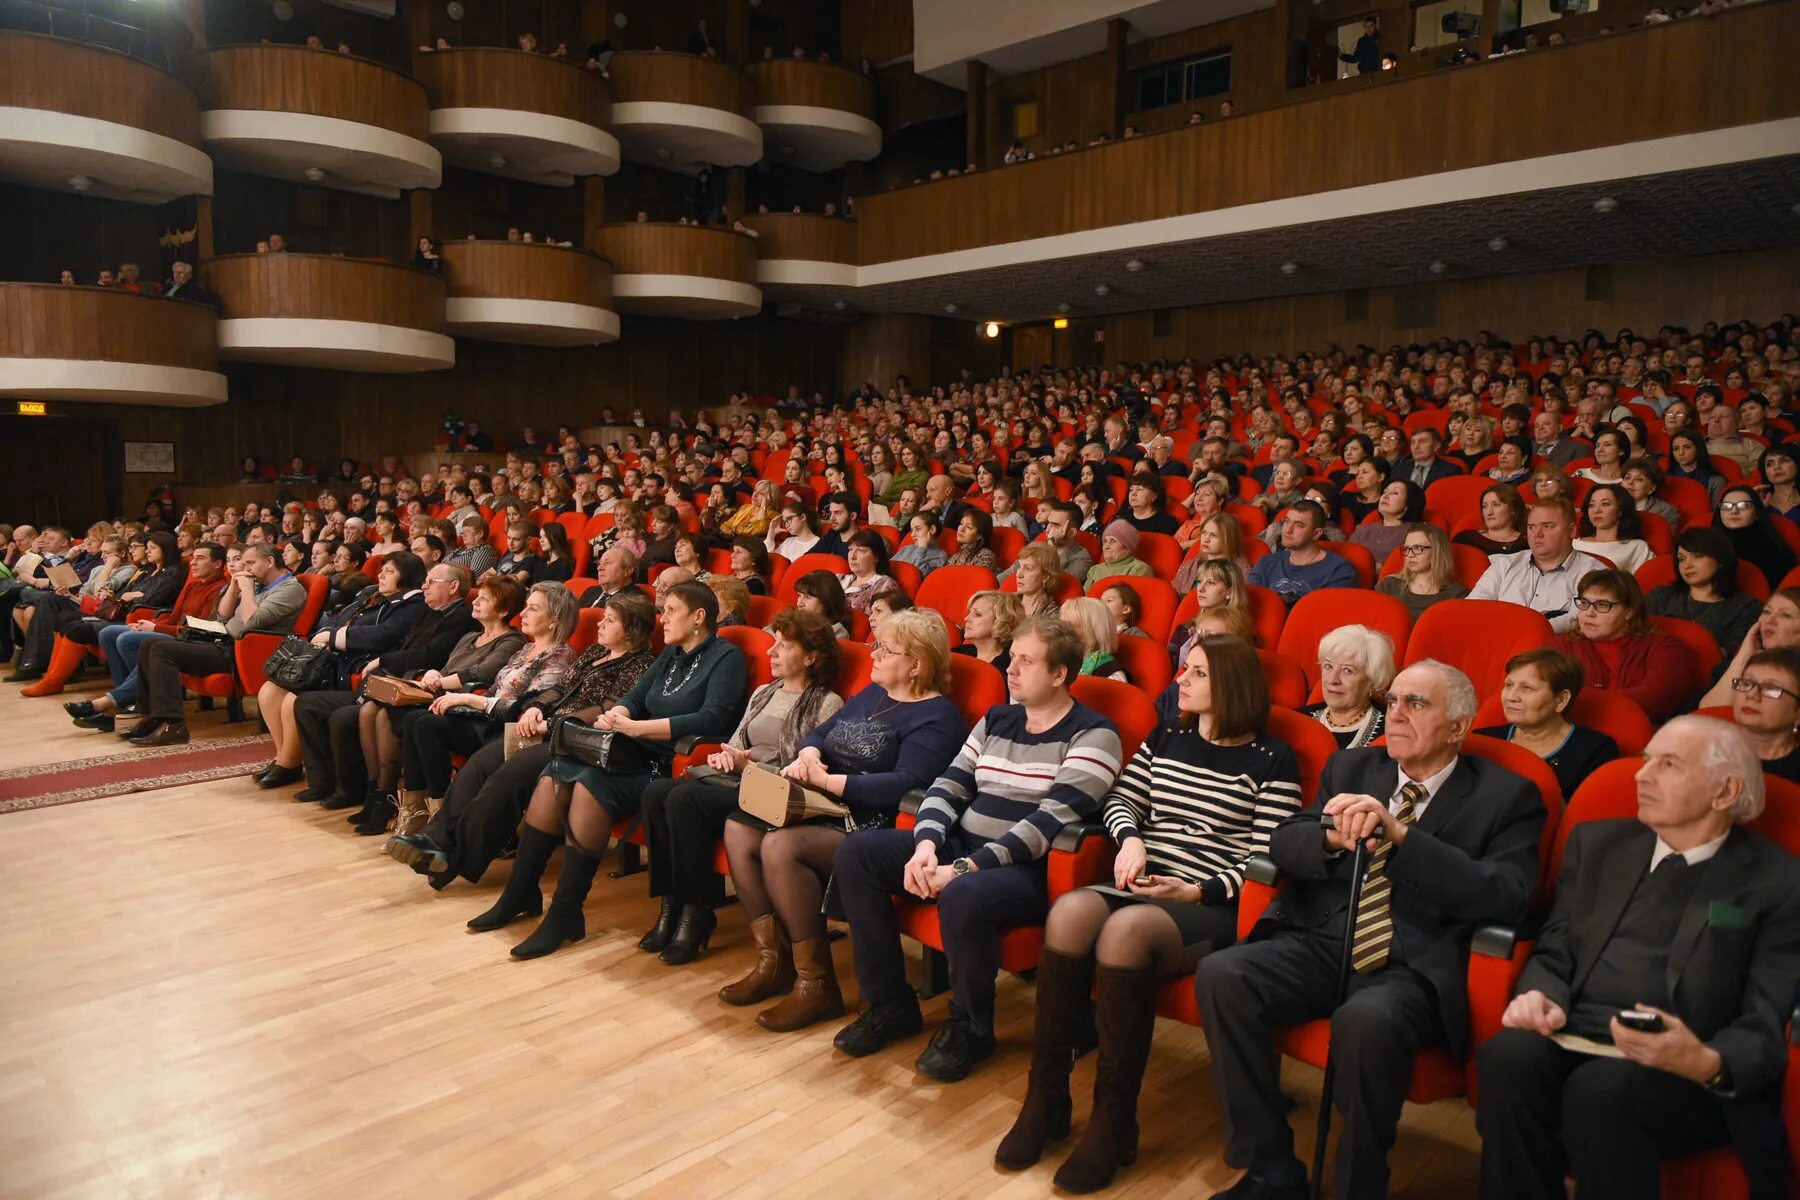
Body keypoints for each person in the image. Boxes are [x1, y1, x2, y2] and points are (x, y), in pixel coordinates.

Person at [1198, 660, 1546, 1200]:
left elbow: (1507, 895)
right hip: (1320, 938)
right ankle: (1270, 1167)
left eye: (1417, 704)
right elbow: (1284, 841)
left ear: (1458, 727)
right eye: (1393, 702)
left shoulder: (1508, 796)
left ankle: (1360, 1185)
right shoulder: (1354, 768)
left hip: (1410, 961)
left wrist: (1402, 836)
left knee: (1367, 1021)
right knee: (1223, 973)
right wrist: (1332, 839)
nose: (1397, 715)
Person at [996, 633, 1303, 1189]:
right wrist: (1130, 839)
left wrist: (1198, 891)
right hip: (1145, 878)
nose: (1180, 679)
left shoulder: (1272, 758)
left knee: (1126, 932)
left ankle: (1115, 1122)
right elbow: (1121, 799)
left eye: (1197, 673)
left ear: (1230, 684)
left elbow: (1268, 859)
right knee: (1068, 914)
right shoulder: (1169, 734)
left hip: (1212, 902)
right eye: (1185, 669)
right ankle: (1046, 1099)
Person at [1475, 717, 1800, 1200]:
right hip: (1577, 1030)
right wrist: (1539, 993)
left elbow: (1767, 1013)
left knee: (1602, 1093)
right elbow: (1557, 944)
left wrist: (1708, 1061)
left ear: (1725, 791)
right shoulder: (1600, 844)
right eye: (1646, 759)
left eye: (1667, 765)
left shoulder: (1778, 881)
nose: (1640, 776)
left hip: (1685, 1063)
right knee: (1508, 1058)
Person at [831, 615, 1125, 1081]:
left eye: (1027, 661)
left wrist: (963, 869)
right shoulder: (997, 719)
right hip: (964, 847)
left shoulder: (1094, 734)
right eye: (1013, 658)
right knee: (858, 853)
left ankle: (972, 1026)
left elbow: (1045, 827)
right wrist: (926, 845)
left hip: (1031, 869)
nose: (1011, 668)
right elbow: (947, 786)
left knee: (965, 893)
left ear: (1060, 674)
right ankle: (890, 1003)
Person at [719, 609, 967, 1029]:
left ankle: (815, 984)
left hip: (872, 822)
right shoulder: (874, 693)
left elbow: (908, 784)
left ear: (917, 664)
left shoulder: (938, 716)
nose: (873, 653)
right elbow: (821, 734)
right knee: (739, 826)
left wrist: (831, 781)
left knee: (779, 846)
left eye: (885, 649)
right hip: (822, 800)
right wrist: (811, 754)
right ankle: (773, 959)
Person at [500, 581, 748, 959]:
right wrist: (620, 713)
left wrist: (638, 727)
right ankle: (519, 891)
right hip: (631, 748)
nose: (661, 619)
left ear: (699, 617)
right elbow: (635, 696)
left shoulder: (725, 657)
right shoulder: (672, 653)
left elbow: (713, 718)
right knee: (555, 772)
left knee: (586, 786)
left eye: (671, 611)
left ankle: (565, 914)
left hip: (668, 761)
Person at [388, 590, 654, 884]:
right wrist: (538, 708)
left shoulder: (640, 665)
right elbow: (560, 689)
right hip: (542, 727)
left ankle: (454, 860)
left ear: (631, 629)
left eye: (611, 619)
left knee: (505, 778)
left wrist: (550, 723)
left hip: (573, 739)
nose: (600, 623)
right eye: (603, 617)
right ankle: (433, 838)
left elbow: (606, 709)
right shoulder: (595, 653)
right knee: (480, 763)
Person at [635, 610, 846, 964]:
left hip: (775, 792)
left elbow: (801, 768)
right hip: (740, 778)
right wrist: (727, 757)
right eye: (773, 644)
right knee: (656, 793)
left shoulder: (827, 703)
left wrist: (749, 764)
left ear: (811, 656)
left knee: (685, 799)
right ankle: (670, 904)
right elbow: (736, 740)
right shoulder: (764, 691)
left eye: (784, 646)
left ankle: (696, 911)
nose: (771, 653)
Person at [374, 581, 570, 835]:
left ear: (554, 620)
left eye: (532, 609)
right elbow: (494, 688)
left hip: (507, 731)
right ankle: (416, 811)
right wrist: (466, 700)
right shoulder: (526, 649)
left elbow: (521, 707)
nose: (522, 614)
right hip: (486, 718)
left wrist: (467, 699)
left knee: (425, 724)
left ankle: (439, 815)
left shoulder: (559, 656)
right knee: (417, 720)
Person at [288, 563, 478, 812]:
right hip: (387, 681)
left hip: (411, 687)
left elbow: (429, 655)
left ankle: (362, 792)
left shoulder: (462, 619)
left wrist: (383, 661)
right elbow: (402, 644)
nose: (424, 587)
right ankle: (323, 782)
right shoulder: (427, 611)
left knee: (344, 716)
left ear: (453, 587)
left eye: (432, 582)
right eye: (425, 581)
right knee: (307, 703)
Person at [251, 552, 428, 790]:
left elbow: (384, 635)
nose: (381, 573)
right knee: (270, 690)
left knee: (292, 699)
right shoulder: (370, 593)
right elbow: (337, 618)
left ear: (406, 577)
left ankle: (288, 763)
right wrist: (328, 635)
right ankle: (282, 756)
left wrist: (334, 638)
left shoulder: (412, 603)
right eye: (382, 569)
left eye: (390, 571)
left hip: (355, 666)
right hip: (332, 661)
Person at [119, 543, 307, 746]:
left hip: (245, 653)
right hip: (223, 642)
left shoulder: (289, 588)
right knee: (150, 644)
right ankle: (153, 717)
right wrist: (235, 588)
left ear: (270, 561)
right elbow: (223, 615)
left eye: (251, 563)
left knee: (161, 649)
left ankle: (173, 725)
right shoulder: (258, 584)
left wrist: (247, 590)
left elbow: (252, 621)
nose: (247, 568)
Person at [63, 543, 228, 724]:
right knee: (109, 633)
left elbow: (200, 629)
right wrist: (151, 624)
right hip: (174, 629)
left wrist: (156, 628)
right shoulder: (192, 586)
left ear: (217, 564)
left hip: (188, 637)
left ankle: (129, 701)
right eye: (193, 558)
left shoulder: (219, 589)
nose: (193, 563)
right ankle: (127, 698)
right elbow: (172, 617)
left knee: (127, 639)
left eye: (200, 558)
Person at [1552, 569, 1698, 724]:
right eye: (1584, 603)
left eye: (1602, 605)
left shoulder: (1665, 648)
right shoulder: (1560, 645)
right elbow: (1545, 695)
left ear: (1629, 612)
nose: (1589, 613)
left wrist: (1583, 699)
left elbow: (1657, 698)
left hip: (1640, 735)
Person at [1475, 648, 1619, 801]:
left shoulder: (1596, 750)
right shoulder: (1482, 741)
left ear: (1561, 700)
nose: (1511, 697)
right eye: (1509, 685)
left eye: (1527, 688)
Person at [1467, 498, 1606, 633]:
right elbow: (1472, 608)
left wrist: (1525, 632)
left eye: (1547, 526)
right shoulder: (1504, 565)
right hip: (1498, 642)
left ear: (1572, 531)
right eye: (1531, 527)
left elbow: (1576, 619)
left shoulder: (1594, 573)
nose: (1537, 534)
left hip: (1551, 650)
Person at [1646, 527, 1762, 656]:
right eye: (1681, 559)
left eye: (1697, 556)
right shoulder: (1661, 596)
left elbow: (1733, 655)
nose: (1687, 565)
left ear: (1720, 561)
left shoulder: (1746, 607)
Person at [1701, 587, 1800, 709]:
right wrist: (1744, 655)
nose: (1770, 620)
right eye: (1767, 612)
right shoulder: (1733, 666)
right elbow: (1707, 712)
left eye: (1786, 615)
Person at [1300, 624, 1396, 749]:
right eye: (1328, 666)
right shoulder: (1298, 720)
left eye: (1347, 670)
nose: (1333, 679)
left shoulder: (1392, 730)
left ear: (1372, 681)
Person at [1248, 500, 1356, 607]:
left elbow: (1325, 616)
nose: (1288, 530)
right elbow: (1252, 609)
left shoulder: (1339, 570)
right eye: (1286, 521)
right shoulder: (1265, 563)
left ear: (1316, 533)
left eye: (1298, 525)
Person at [1376, 523, 1467, 618]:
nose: (1410, 555)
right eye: (1407, 549)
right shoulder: (1388, 586)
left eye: (1418, 548)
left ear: (1437, 551)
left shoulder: (1456, 595)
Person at [1716, 486, 1797, 592]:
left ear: (1757, 512)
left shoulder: (1776, 551)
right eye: (1726, 506)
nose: (1734, 511)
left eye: (1744, 505)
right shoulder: (1706, 545)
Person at [1573, 483, 1655, 574]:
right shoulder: (1573, 544)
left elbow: (1646, 582)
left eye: (1605, 504)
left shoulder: (1637, 547)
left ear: (1620, 510)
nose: (1596, 510)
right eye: (1592, 505)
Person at [1350, 480, 1425, 566]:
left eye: (1395, 493)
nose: (1385, 496)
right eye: (1385, 492)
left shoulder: (1415, 533)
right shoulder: (1362, 529)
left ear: (1408, 505)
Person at [1061, 596, 1129, 682]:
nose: (1061, 631)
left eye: (1069, 625)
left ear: (1094, 629)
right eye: (1061, 625)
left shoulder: (1110, 673)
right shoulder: (1062, 660)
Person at [954, 590, 1020, 674]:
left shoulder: (1010, 666)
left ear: (1000, 621)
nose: (966, 619)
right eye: (969, 613)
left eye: (977, 614)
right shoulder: (961, 653)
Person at [839, 530, 896, 614]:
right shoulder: (840, 579)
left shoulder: (885, 585)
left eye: (860, 550)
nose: (852, 556)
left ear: (876, 557)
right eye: (850, 549)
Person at [1084, 521, 1152, 589]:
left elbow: (1130, 598)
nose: (1106, 546)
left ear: (1127, 547)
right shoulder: (1094, 570)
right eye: (1105, 541)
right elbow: (1083, 598)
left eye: (1113, 541)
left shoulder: (1139, 569)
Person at [1009, 542, 1065, 618]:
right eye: (1019, 566)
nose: (1019, 574)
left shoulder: (1052, 616)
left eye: (1028, 568)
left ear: (1046, 577)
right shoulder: (1007, 602)